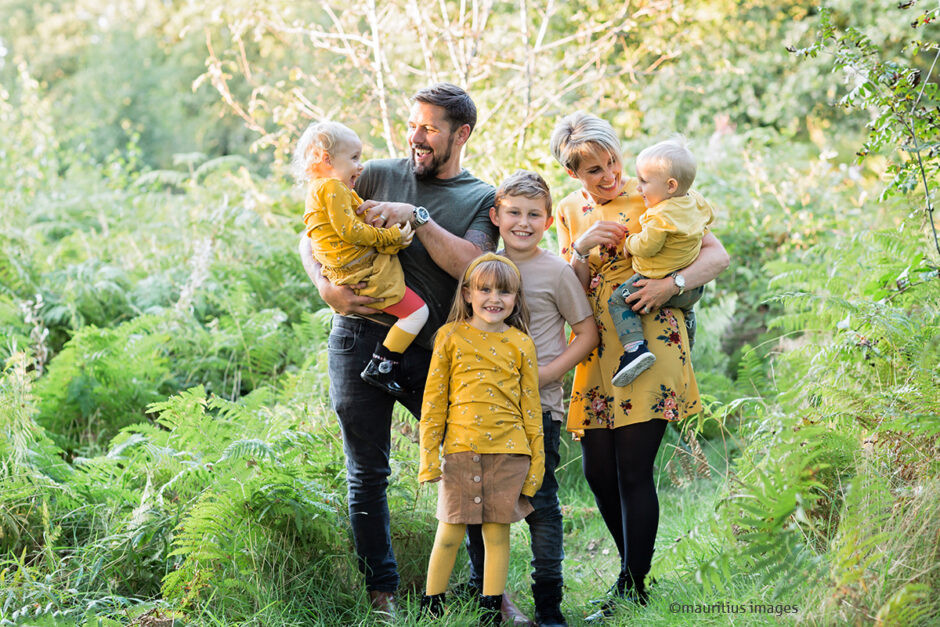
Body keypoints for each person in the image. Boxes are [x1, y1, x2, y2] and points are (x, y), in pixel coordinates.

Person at [299, 83, 515, 619]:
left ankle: (490, 593)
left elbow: (473, 266)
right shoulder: (369, 173)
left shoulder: (481, 197)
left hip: (436, 351)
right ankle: (383, 595)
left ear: (461, 134)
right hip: (359, 340)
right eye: (413, 124)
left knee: (469, 465)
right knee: (367, 474)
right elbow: (311, 234)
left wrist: (415, 216)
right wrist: (324, 288)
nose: (415, 137)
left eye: (430, 128)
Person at [549, 112, 729, 622]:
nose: (608, 176)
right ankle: (632, 578)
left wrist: (668, 285)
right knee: (597, 471)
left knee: (631, 468)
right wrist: (582, 249)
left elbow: (717, 257)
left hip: (652, 336)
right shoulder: (567, 211)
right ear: (573, 175)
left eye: (612, 163)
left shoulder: (655, 191)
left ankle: (630, 586)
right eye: (593, 171)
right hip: (596, 344)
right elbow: (569, 288)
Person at [457, 171, 597, 627]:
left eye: (533, 215)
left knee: (540, 502)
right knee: (482, 507)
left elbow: (586, 331)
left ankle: (549, 608)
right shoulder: (484, 270)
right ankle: (489, 605)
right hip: (485, 411)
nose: (523, 222)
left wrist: (548, 375)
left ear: (548, 219)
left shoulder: (555, 271)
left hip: (538, 410)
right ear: (495, 216)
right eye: (513, 213)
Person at [419, 253, 545, 625]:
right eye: (485, 289)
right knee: (449, 533)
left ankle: (491, 612)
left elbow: (531, 408)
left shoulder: (521, 344)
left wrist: (535, 467)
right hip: (461, 449)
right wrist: (428, 459)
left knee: (496, 536)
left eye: (505, 292)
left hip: (509, 453)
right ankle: (432, 607)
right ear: (468, 294)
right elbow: (434, 401)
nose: (495, 298)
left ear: (516, 299)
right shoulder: (450, 336)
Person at [293, 120, 429, 398]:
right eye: (354, 158)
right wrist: (391, 238)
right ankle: (383, 365)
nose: (361, 165)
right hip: (361, 274)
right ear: (328, 160)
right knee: (417, 313)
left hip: (350, 271)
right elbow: (350, 231)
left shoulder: (323, 189)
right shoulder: (332, 188)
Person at [608, 137, 715, 387]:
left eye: (644, 182)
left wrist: (629, 243)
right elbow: (709, 218)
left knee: (619, 301)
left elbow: (648, 246)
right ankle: (688, 333)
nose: (638, 188)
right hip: (690, 288)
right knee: (686, 308)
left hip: (654, 280)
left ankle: (635, 349)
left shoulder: (659, 216)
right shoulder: (696, 201)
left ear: (670, 186)